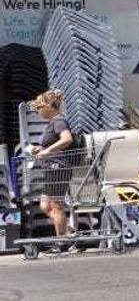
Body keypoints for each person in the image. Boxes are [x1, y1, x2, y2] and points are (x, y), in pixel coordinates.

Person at [30, 89, 75, 241]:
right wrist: (41, 149)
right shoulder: (53, 122)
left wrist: (47, 151)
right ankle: (67, 228)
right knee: (45, 206)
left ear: (48, 106)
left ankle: (62, 241)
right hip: (51, 168)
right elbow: (55, 142)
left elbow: (67, 139)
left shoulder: (59, 121)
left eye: (39, 107)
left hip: (57, 168)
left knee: (56, 205)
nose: (37, 111)